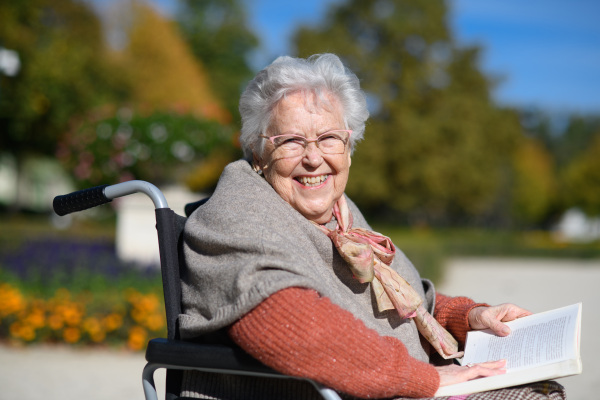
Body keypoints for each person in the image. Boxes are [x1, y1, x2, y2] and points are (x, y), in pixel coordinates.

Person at [178, 54, 565, 399]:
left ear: (349, 148)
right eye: (292, 141)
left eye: (329, 139)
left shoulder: (340, 215)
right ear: (259, 153)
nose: (314, 159)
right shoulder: (238, 213)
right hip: (323, 391)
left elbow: (410, 304)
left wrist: (470, 319)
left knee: (542, 388)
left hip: (385, 386)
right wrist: (426, 379)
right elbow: (290, 326)